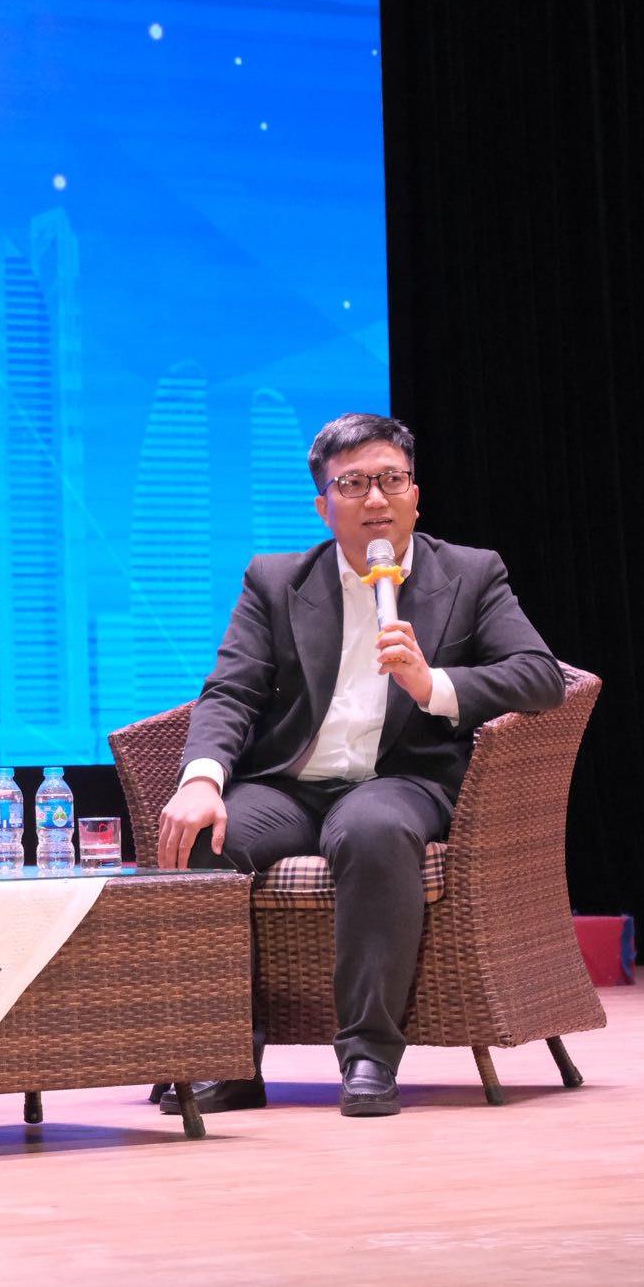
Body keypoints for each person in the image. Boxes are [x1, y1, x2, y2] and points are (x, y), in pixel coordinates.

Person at [156, 413, 564, 1117]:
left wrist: (433, 685)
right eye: (352, 484)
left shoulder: (469, 574)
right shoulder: (276, 580)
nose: (375, 498)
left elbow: (540, 676)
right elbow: (231, 691)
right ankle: (225, 1059)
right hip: (291, 783)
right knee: (203, 839)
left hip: (404, 780)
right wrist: (201, 779)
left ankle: (369, 1054)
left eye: (390, 480)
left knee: (372, 829)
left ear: (415, 496)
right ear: (324, 506)